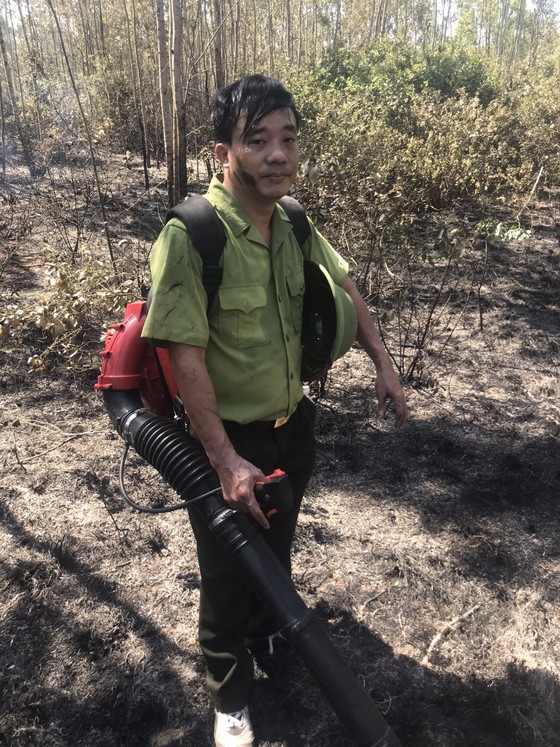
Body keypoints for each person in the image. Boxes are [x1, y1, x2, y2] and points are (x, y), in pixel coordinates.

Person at [142, 74, 407, 747]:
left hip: (295, 430)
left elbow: (343, 282)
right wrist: (224, 457)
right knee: (229, 572)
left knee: (278, 548)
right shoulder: (193, 235)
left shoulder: (292, 219)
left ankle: (270, 632)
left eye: (287, 139)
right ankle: (229, 696)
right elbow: (187, 357)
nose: (278, 154)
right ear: (221, 153)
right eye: (257, 140)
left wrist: (381, 360)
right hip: (229, 442)